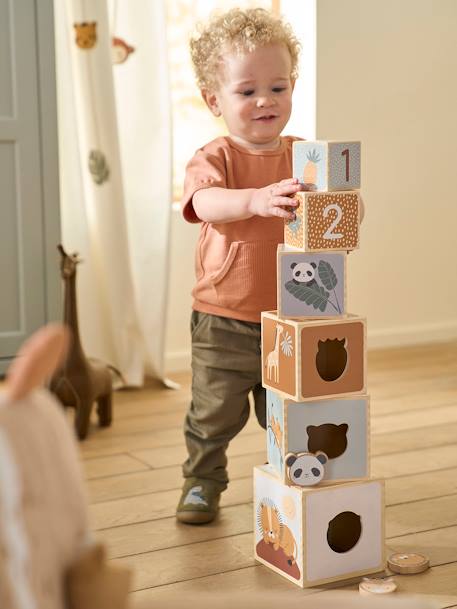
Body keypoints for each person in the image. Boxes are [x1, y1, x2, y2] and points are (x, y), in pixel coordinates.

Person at [177, 7, 305, 524]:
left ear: (293, 87)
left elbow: (331, 207)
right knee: (214, 413)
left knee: (291, 413)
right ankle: (202, 481)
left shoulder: (305, 155)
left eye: (277, 87)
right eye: (247, 91)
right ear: (215, 100)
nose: (264, 101)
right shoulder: (215, 156)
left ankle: (295, 481)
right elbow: (204, 206)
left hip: (293, 319)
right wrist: (253, 200)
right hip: (224, 317)